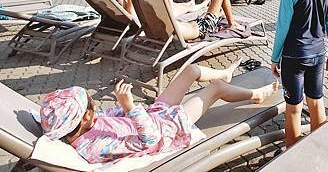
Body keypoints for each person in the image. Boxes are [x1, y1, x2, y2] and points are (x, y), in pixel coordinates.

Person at [39, 61, 278, 164]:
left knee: (191, 70)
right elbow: (150, 139)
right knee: (215, 90)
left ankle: (224, 74)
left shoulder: (83, 127)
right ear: (85, 117)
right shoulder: (94, 147)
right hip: (167, 130)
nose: (93, 103)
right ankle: (256, 94)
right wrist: (130, 108)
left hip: (154, 115)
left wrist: (127, 107)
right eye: (90, 104)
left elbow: (117, 119)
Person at [271, 0, 328, 147]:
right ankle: (318, 150)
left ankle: (293, 155)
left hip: (294, 55)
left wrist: (274, 58)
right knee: (317, 102)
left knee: (293, 108)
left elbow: (282, 27)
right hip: (318, 53)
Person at [112, 0, 244, 41]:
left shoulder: (152, 24)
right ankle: (232, 24)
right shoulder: (164, 19)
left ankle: (218, 14)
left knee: (212, 11)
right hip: (203, 26)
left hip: (195, 24)